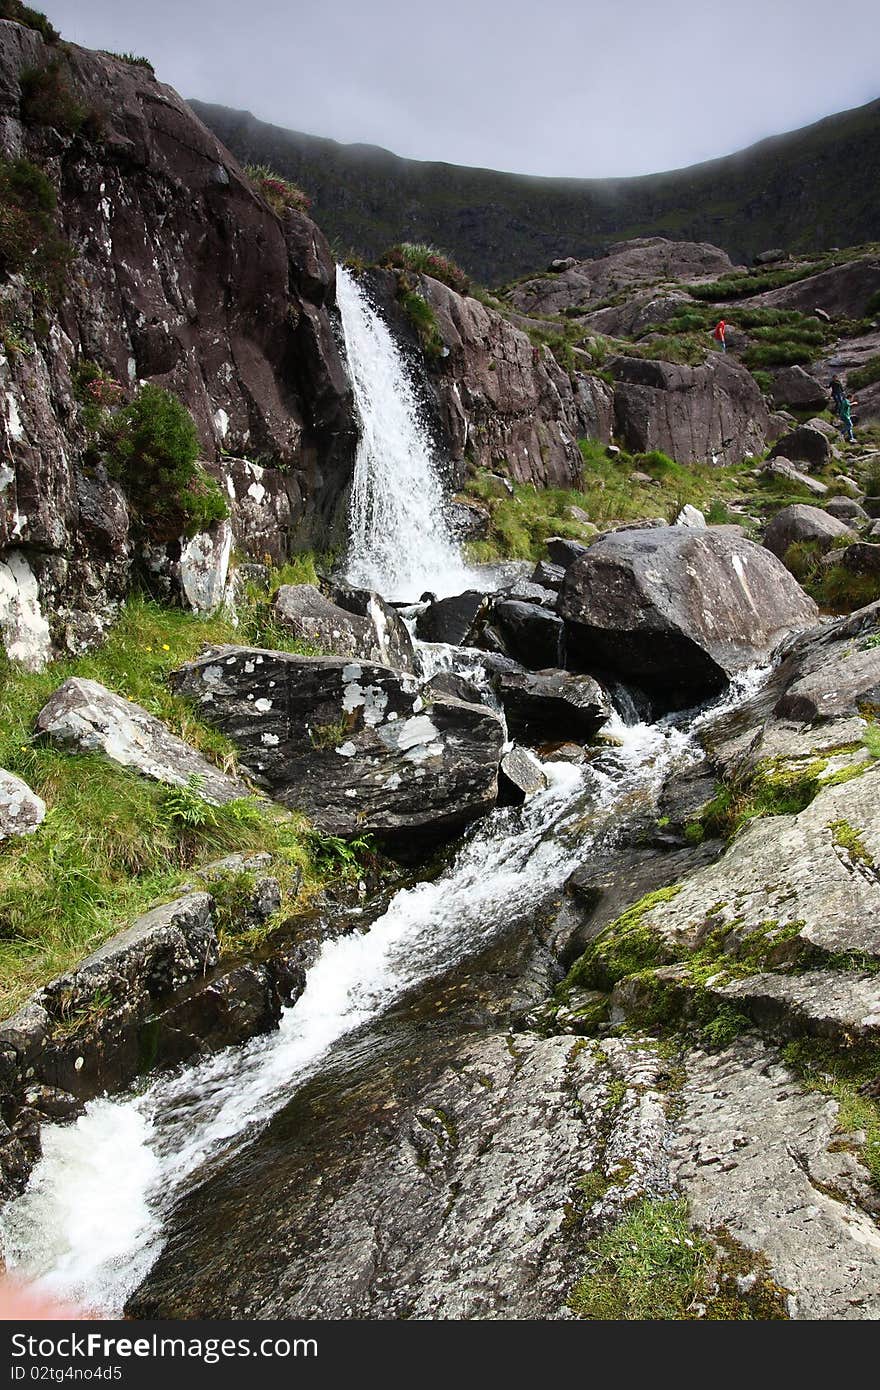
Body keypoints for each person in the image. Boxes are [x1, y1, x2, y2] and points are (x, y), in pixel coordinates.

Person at [829, 375, 856, 443]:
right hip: (845, 415)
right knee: (850, 425)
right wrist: (854, 403)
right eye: (852, 398)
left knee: (849, 427)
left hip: (844, 415)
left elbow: (840, 387)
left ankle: (851, 438)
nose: (852, 399)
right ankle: (841, 433)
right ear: (850, 398)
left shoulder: (844, 400)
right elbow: (848, 405)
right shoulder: (846, 401)